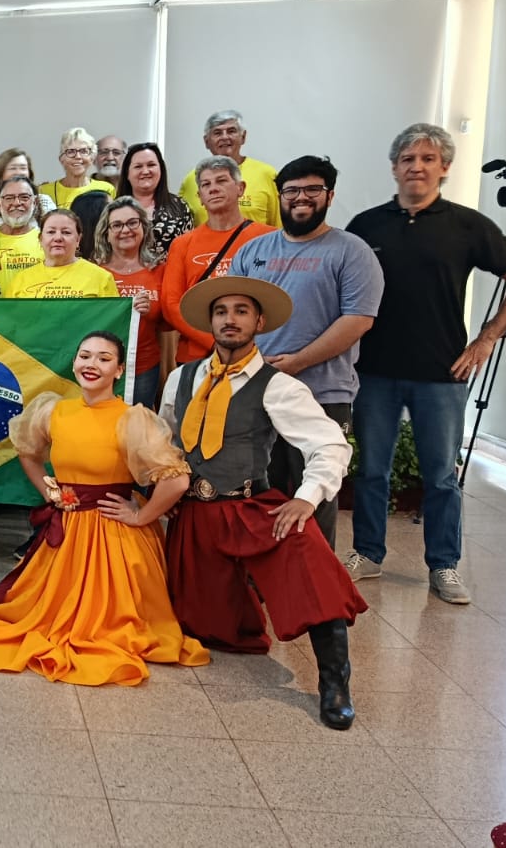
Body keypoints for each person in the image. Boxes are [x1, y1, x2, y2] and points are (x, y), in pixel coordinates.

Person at [0, 330, 209, 685]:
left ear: (119, 370)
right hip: (66, 532)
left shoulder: (133, 418)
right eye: (85, 356)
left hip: (114, 537)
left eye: (103, 358)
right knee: (37, 610)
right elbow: (28, 453)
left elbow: (177, 481)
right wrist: (49, 491)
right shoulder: (56, 411)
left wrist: (140, 515)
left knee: (108, 621)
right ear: (75, 361)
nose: (91, 364)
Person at [345, 123, 506, 604]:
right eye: (408, 158)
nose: (417, 166)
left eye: (428, 159)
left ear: (445, 168)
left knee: (440, 476)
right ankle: (367, 553)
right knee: (371, 471)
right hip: (375, 370)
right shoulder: (366, 225)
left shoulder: (468, 225)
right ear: (395, 167)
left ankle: (444, 565)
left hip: (442, 373)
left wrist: (488, 337)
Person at [161, 276, 367, 730]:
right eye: (221, 312)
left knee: (312, 564)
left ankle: (335, 682)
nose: (229, 320)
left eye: (241, 311)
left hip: (246, 508)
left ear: (259, 321)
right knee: (206, 626)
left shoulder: (277, 386)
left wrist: (306, 499)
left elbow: (331, 444)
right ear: (210, 322)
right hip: (193, 518)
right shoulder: (182, 377)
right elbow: (165, 441)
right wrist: (161, 489)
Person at [231, 156, 384, 551]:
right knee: (258, 492)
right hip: (257, 392)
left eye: (312, 189)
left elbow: (358, 320)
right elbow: (235, 313)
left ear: (329, 196)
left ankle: (312, 581)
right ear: (280, 197)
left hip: (323, 394)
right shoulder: (253, 250)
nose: (301, 197)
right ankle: (263, 576)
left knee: (314, 496)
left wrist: (297, 363)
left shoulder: (352, 251)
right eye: (292, 190)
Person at [161, 157, 277, 364]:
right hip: (198, 357)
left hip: (258, 354)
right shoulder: (182, 244)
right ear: (200, 197)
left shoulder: (270, 238)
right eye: (206, 184)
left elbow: (279, 296)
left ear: (240, 188)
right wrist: (216, 342)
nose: (213, 189)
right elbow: (171, 305)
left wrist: (246, 345)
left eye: (221, 181)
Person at [93, 198, 166, 408]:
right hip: (102, 365)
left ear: (144, 227)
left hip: (144, 366)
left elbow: (169, 320)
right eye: (117, 225)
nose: (126, 230)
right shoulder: (94, 271)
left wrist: (150, 310)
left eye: (132, 223)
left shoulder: (160, 269)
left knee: (137, 421)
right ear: (106, 233)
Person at [177, 111, 281, 227]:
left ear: (243, 137)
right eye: (217, 133)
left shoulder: (266, 174)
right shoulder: (192, 180)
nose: (225, 137)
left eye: (231, 131)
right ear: (206, 141)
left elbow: (279, 227)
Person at [4, 209, 118, 299]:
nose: (58, 238)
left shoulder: (101, 278)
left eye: (66, 232)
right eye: (51, 232)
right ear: (40, 239)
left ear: (78, 239)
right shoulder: (20, 280)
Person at [117, 142, 194, 262]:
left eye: (151, 165)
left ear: (161, 169)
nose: (145, 171)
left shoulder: (179, 207)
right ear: (127, 173)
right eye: (138, 166)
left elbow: (189, 251)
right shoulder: (114, 210)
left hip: (171, 273)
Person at [0, 175, 46, 292]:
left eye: (24, 197)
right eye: (9, 198)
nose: (17, 203)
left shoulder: (46, 241)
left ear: (35, 202)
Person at [39, 128, 116, 211]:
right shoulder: (44, 191)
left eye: (83, 151)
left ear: (92, 158)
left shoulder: (106, 190)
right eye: (71, 151)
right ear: (61, 159)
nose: (78, 156)